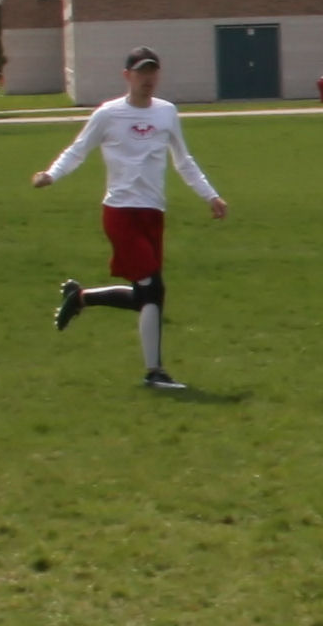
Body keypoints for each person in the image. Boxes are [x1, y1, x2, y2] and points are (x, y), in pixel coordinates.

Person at [32, 46, 227, 391]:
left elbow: (184, 161)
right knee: (153, 289)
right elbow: (78, 150)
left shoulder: (166, 112)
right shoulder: (108, 114)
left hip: (154, 213)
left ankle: (81, 297)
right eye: (141, 72)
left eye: (152, 71)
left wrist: (210, 195)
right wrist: (51, 174)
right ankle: (154, 372)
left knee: (143, 296)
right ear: (127, 76)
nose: (147, 78)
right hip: (120, 213)